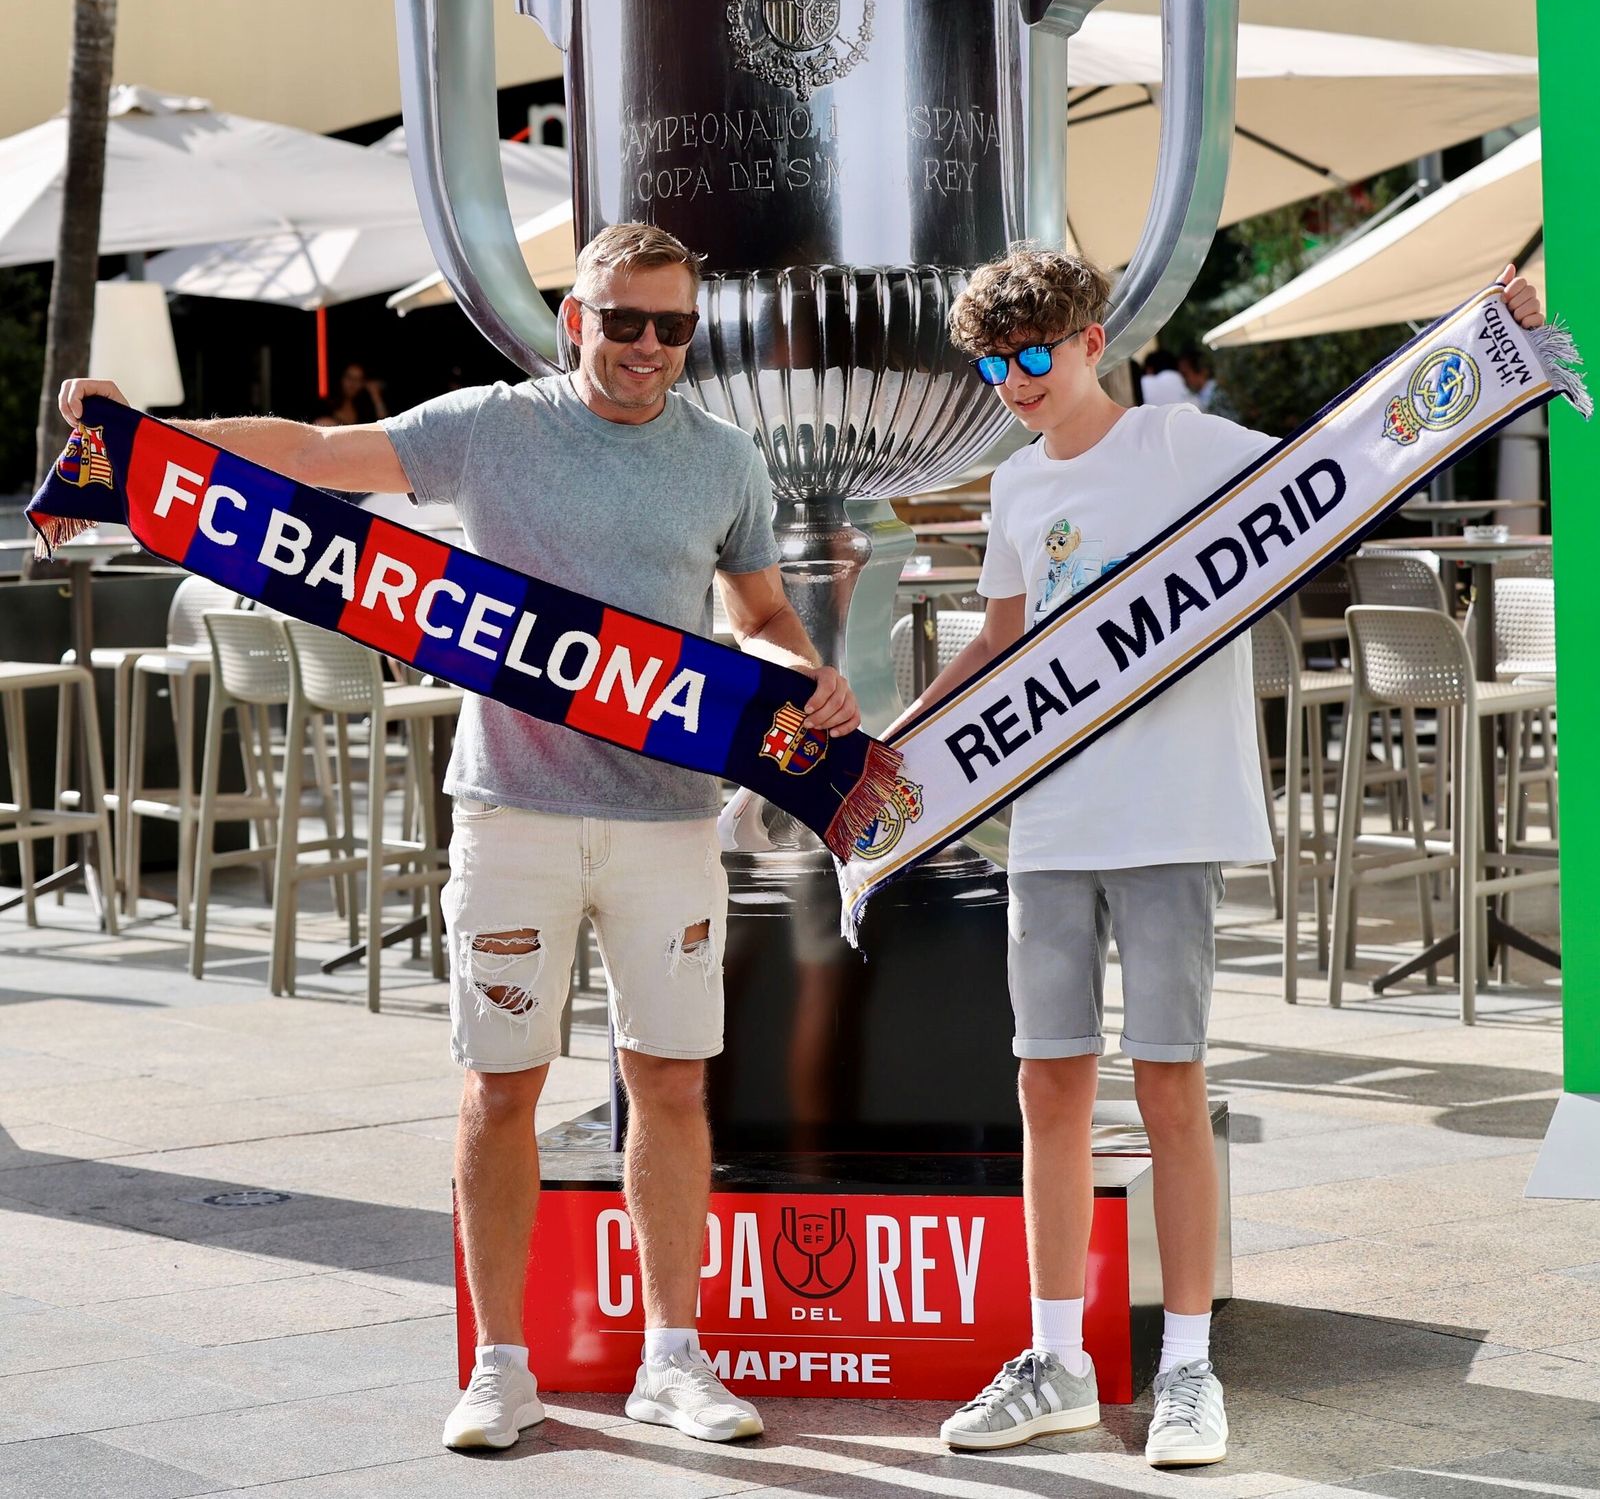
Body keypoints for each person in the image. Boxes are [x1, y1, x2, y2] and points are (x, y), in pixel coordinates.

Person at [60, 221, 860, 1455]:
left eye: (672, 326)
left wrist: (797, 671)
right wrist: (144, 439)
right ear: (574, 319)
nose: (647, 346)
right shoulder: (493, 426)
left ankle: (672, 1361)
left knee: (669, 1084)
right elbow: (316, 455)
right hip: (512, 811)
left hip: (667, 820)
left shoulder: (724, 457)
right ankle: (501, 1369)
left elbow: (755, 610)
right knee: (499, 1090)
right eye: (622, 320)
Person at [890, 245, 1541, 1470]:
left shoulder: (1180, 445)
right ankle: (1056, 1359)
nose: (1015, 382)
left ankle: (1188, 1368)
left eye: (1032, 355)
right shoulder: (1016, 484)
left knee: (1168, 1085)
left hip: (1171, 818)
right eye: (992, 366)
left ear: (1091, 342)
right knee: (1046, 1088)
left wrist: (1483, 336)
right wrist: (896, 747)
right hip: (1052, 826)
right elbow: (1000, 642)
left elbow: (1344, 466)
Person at [314, 360, 388, 426]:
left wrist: (376, 396)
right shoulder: (326, 405)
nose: (353, 383)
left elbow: (385, 426)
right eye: (349, 377)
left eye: (358, 379)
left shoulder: (365, 408)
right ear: (341, 378)